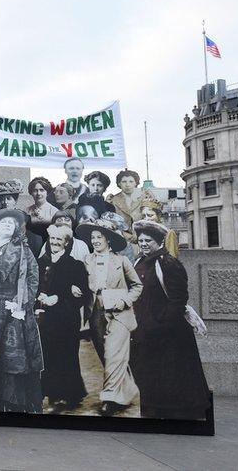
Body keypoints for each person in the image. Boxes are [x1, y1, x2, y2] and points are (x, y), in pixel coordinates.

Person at [131, 221, 211, 420]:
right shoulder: (138, 262)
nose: (143, 243)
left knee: (172, 374)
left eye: (148, 240)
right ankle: (154, 411)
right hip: (144, 328)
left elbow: (178, 299)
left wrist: (160, 324)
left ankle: (175, 414)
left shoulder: (167, 263)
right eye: (140, 240)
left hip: (168, 333)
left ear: (158, 241)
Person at [0, 209, 44, 413]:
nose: (6, 225)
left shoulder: (23, 251)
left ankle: (13, 402)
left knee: (12, 356)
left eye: (11, 224)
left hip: (14, 309)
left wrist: (22, 303)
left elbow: (32, 279)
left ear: (15, 230)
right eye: (2, 222)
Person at [75, 216, 143, 416]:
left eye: (100, 237)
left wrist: (125, 301)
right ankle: (127, 391)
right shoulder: (86, 260)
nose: (95, 241)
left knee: (113, 354)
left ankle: (110, 398)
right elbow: (80, 282)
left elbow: (137, 286)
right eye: (93, 237)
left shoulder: (121, 261)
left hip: (119, 313)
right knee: (109, 356)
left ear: (108, 240)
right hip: (95, 312)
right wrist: (77, 289)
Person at [36, 224, 91, 411]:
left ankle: (70, 394)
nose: (54, 242)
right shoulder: (40, 263)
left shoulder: (75, 265)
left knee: (66, 354)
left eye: (59, 239)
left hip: (66, 319)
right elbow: (34, 286)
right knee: (47, 355)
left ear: (66, 243)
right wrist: (39, 299)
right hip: (45, 318)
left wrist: (59, 297)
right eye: (52, 239)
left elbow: (82, 294)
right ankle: (52, 393)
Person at [107, 170, 154, 234]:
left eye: (131, 181)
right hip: (121, 235)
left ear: (136, 183)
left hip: (143, 235)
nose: (127, 185)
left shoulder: (144, 197)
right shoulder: (113, 199)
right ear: (119, 183)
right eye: (124, 182)